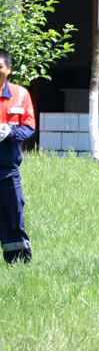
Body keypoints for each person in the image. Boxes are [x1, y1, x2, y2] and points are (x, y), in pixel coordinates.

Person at [0, 50, 36, 265]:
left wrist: (9, 133)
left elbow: (29, 126)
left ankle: (19, 262)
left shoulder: (20, 94)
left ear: (8, 69)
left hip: (7, 168)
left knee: (13, 214)